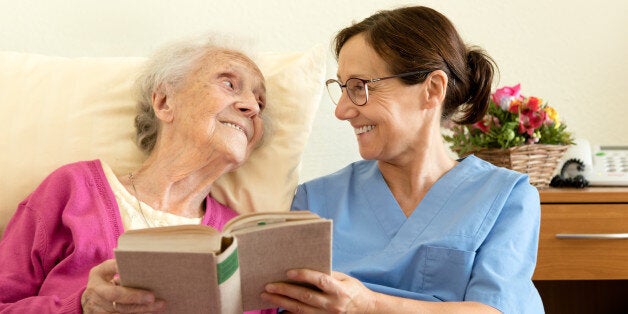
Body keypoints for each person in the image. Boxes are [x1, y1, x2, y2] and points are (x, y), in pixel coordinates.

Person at [261, 6, 544, 313]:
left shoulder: (504, 198)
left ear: (432, 90)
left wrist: (366, 306)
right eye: (342, 89)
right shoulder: (314, 201)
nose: (342, 111)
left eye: (360, 87)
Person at [0, 36, 276, 314]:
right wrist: (83, 307)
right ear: (165, 102)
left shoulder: (246, 240)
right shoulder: (72, 190)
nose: (252, 107)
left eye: (260, 103)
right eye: (229, 84)